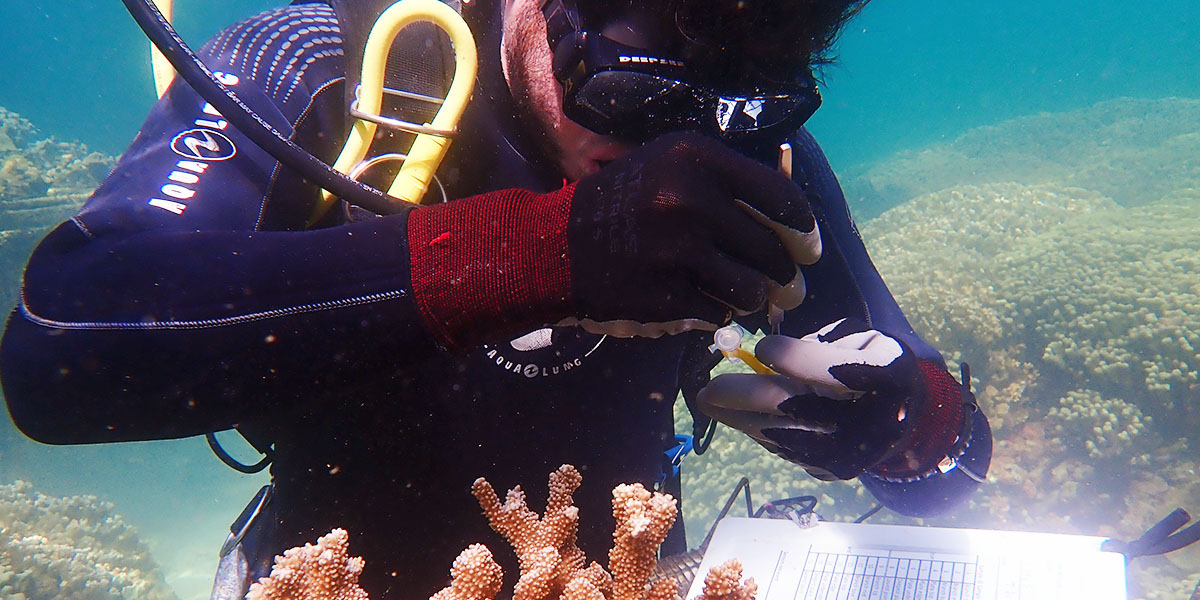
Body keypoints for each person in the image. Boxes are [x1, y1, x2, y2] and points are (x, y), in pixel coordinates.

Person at [0, 0, 991, 597]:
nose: (666, 147)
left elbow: (949, 474)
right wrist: (540, 250)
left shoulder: (754, 163)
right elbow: (56, 346)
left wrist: (905, 426)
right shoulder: (330, 68)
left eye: (723, 111)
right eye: (632, 96)